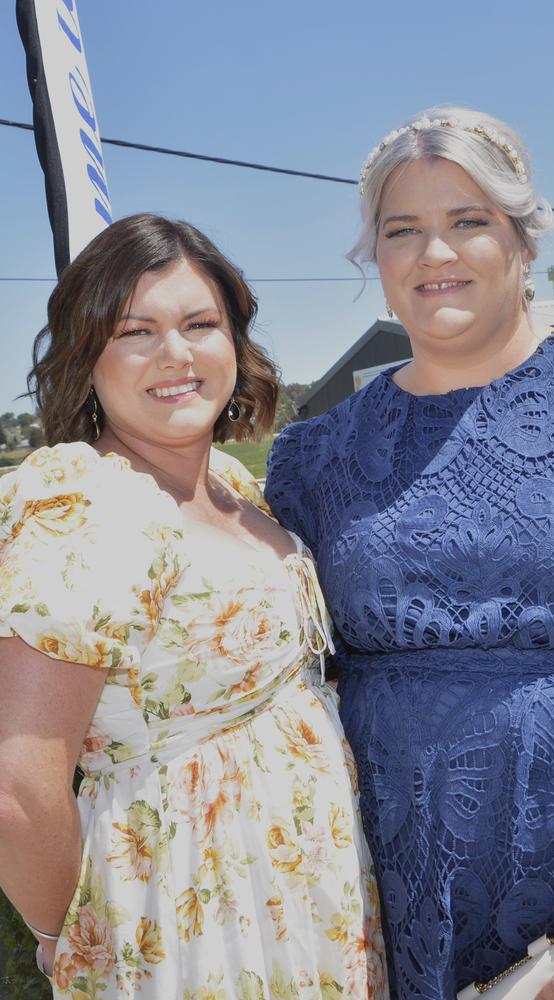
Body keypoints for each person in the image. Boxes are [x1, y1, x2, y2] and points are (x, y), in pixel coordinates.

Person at [265, 106, 554, 998]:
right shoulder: (314, 457)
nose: (434, 254)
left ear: (524, 239)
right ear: (377, 260)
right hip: (382, 891)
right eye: (404, 231)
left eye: (467, 221)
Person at [0, 213, 388, 999]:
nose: (175, 354)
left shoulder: (237, 491)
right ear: (88, 357)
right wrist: (65, 940)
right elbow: (17, 785)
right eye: (135, 331)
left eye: (199, 324)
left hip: (307, 897)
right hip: (187, 919)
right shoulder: (84, 503)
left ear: (235, 343)